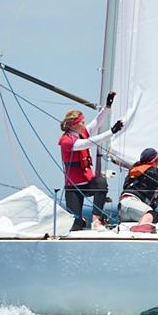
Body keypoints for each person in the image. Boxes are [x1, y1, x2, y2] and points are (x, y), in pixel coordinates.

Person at [58, 91, 124, 231]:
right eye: (82, 122)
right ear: (74, 124)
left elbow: (96, 122)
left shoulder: (81, 132)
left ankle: (96, 220)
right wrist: (112, 132)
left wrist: (107, 107)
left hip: (88, 184)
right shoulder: (66, 141)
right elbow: (88, 143)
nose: (85, 123)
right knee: (75, 226)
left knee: (101, 182)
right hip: (74, 187)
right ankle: (79, 221)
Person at [119, 144, 158, 229]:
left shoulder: (135, 171)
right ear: (154, 161)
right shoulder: (150, 171)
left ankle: (140, 226)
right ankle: (141, 227)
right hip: (134, 204)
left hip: (122, 208)